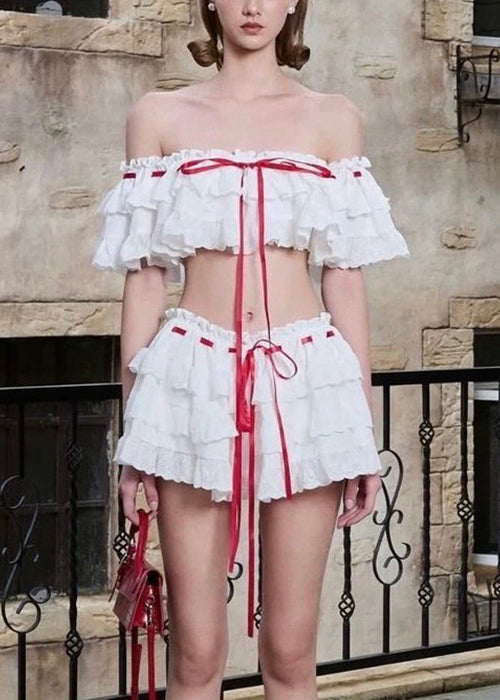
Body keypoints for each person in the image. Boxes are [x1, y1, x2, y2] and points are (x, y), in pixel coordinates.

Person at [91, 1, 410, 698]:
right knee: (196, 654)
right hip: (191, 380)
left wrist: (358, 433)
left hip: (306, 383)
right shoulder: (158, 115)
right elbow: (145, 280)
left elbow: (345, 280)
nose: (254, 5)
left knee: (291, 655)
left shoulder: (334, 118)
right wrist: (134, 436)